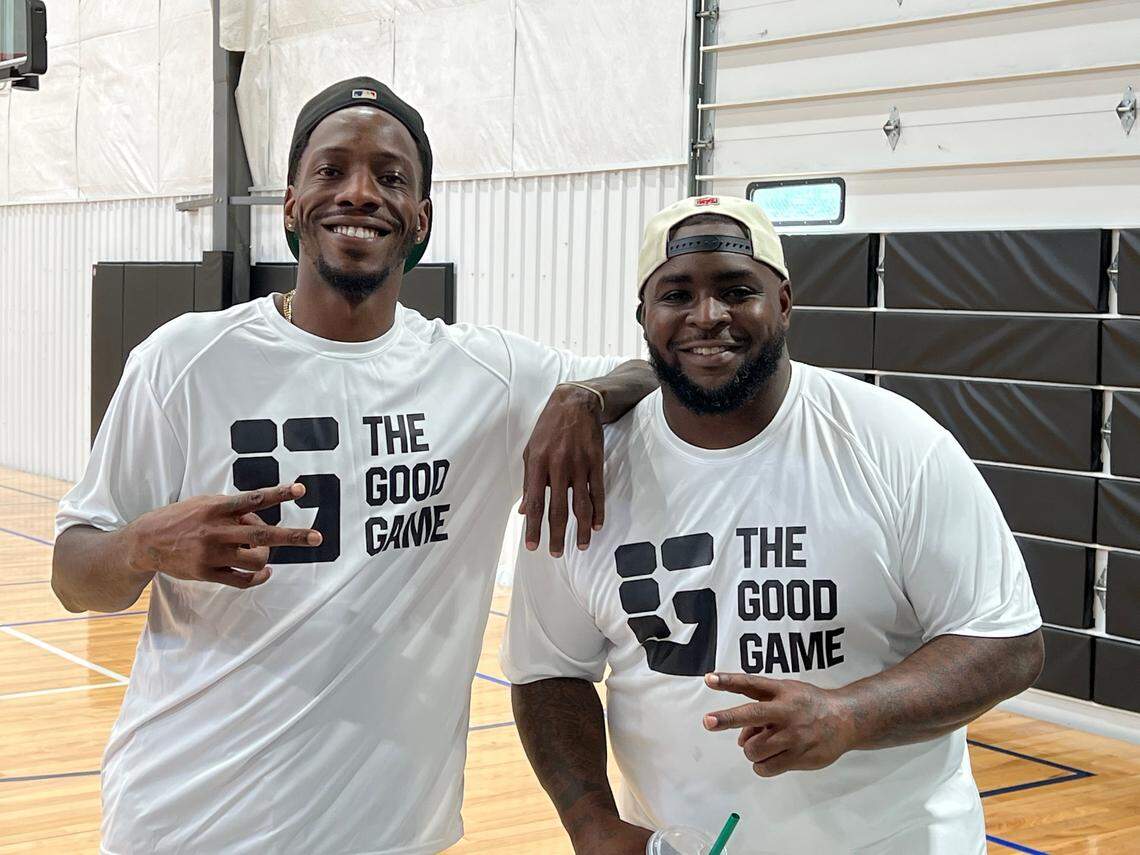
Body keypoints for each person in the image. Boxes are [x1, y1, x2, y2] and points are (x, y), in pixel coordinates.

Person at [51, 77, 655, 855]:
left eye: (391, 177)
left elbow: (653, 373)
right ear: (292, 205)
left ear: (421, 218)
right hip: (187, 827)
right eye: (331, 171)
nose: (360, 193)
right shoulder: (184, 360)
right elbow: (72, 575)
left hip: (395, 835)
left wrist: (584, 397)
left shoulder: (488, 377)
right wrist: (143, 545)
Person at [501, 195, 1045, 855]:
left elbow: (1005, 640)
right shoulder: (588, 472)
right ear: (644, 316)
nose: (708, 316)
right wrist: (590, 821)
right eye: (677, 294)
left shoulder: (895, 443)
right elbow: (549, 670)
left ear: (782, 302)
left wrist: (850, 713)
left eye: (737, 291)